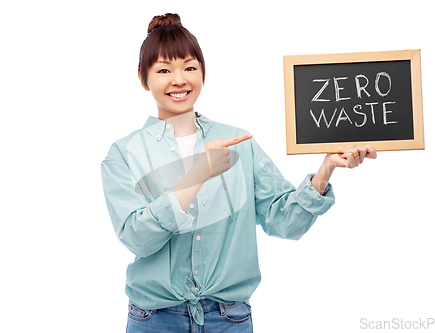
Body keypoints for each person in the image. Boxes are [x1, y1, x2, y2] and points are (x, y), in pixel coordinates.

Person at [101, 13, 377, 333]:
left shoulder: (240, 143)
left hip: (228, 320)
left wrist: (326, 168)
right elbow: (138, 238)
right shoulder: (124, 154)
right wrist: (197, 175)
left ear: (203, 72)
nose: (179, 80)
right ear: (142, 77)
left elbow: (282, 221)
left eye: (190, 67)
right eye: (164, 70)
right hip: (156, 319)